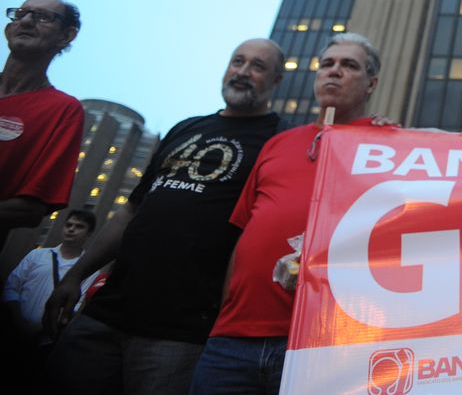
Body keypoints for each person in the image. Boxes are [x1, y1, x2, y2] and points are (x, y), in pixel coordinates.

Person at [43, 39, 285, 395]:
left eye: (258, 66)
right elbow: (131, 209)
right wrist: (76, 276)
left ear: (277, 80)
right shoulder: (185, 127)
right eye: (238, 61)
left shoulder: (278, 139)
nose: (243, 72)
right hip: (104, 313)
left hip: (181, 332)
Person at [190, 33, 383, 395]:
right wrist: (224, 311)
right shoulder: (279, 143)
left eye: (349, 66)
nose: (334, 72)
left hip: (325, 344)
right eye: (327, 64)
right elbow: (245, 231)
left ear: (371, 83)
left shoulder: (391, 146)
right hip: (232, 341)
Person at [1, 0, 84, 253]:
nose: (25, 21)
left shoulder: (63, 110)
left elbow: (32, 208)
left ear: (66, 36)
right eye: (21, 14)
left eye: (43, 17)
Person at [3, 209, 96, 360]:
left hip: (47, 342)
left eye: (79, 226)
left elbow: (78, 305)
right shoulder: (37, 255)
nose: (71, 229)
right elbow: (12, 287)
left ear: (89, 233)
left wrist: (40, 329)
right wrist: (18, 320)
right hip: (12, 331)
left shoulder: (88, 270)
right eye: (69, 225)